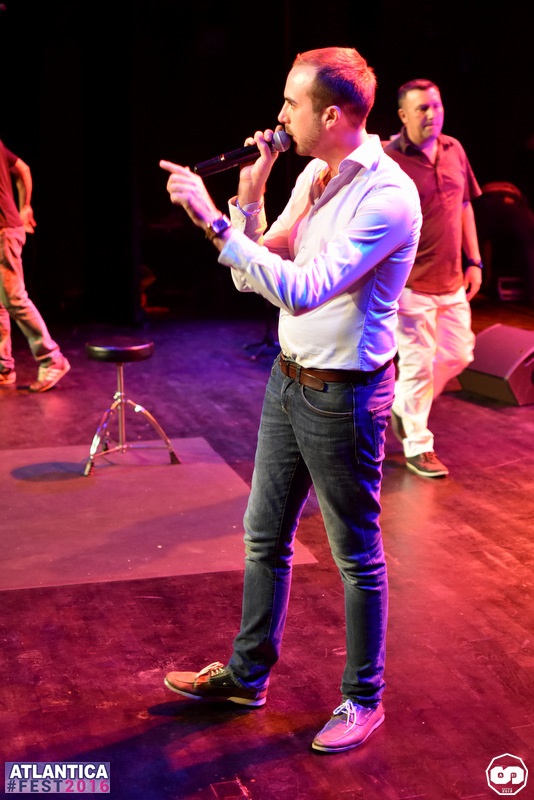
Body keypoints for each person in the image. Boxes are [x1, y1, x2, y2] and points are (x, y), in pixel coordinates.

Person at [159, 46, 421, 753]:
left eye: (289, 103)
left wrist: (214, 222)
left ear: (330, 116)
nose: (278, 115)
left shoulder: (387, 197)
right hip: (290, 379)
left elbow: (304, 291)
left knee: (355, 554)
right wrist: (247, 199)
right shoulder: (314, 174)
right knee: (263, 536)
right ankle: (247, 677)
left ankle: (364, 699)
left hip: (346, 396)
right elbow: (253, 274)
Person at [383, 79, 483, 477]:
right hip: (410, 284)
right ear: (403, 115)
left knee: (460, 354)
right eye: (422, 108)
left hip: (452, 279)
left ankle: (401, 405)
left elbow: (465, 205)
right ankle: (418, 445)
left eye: (436, 106)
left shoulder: (454, 148)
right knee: (418, 366)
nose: (432, 114)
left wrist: (474, 260)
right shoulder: (388, 158)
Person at [0, 139, 70, 391]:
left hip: (3, 231)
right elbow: (23, 168)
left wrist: (25, 207)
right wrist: (25, 206)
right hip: (8, 228)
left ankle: (52, 359)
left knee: (14, 298)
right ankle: (3, 368)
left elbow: (22, 169)